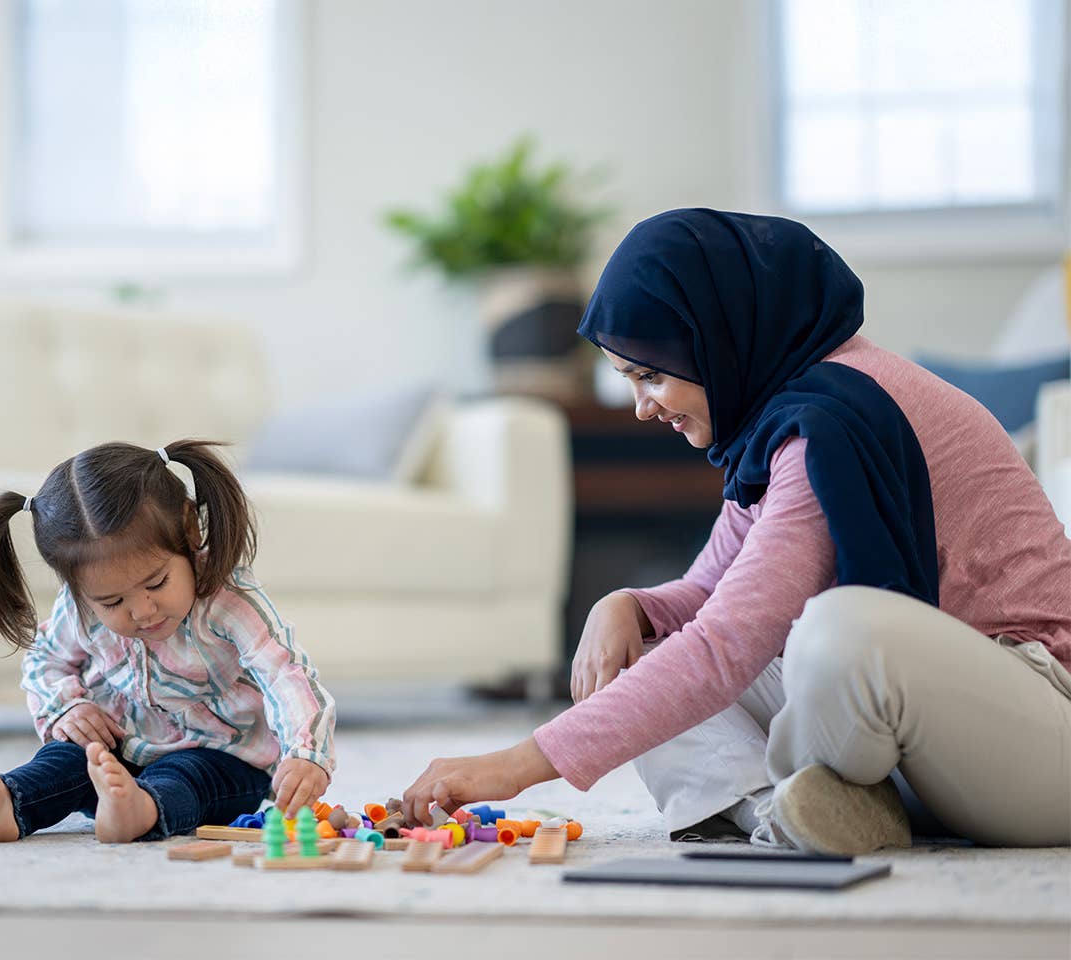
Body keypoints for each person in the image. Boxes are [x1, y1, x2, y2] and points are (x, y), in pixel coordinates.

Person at [402, 209, 1071, 854]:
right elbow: (709, 594)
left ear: (716, 339)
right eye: (630, 381)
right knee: (647, 656)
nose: (642, 407)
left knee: (842, 630)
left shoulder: (828, 430)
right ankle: (790, 815)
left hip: (1038, 732)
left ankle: (820, 795)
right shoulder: (779, 417)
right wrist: (628, 607)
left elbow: (728, 643)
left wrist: (511, 766)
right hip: (935, 745)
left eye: (652, 376)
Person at [0, 439, 336, 843]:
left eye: (156, 582)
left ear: (190, 531)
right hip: (120, 753)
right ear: (79, 587)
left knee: (189, 777)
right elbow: (45, 660)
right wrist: (69, 706)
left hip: (223, 758)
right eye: (112, 601)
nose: (142, 612)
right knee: (66, 758)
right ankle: (11, 803)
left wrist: (305, 753)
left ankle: (142, 810)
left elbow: (285, 674)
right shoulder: (80, 608)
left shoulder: (229, 602)